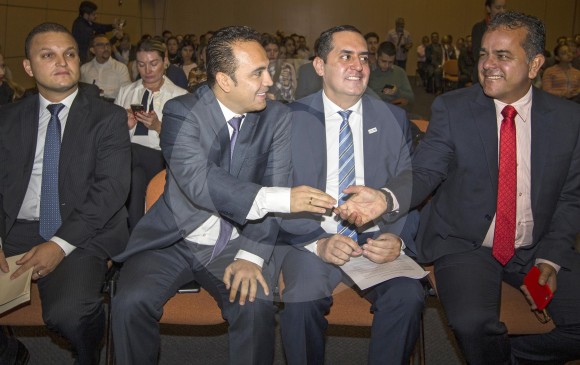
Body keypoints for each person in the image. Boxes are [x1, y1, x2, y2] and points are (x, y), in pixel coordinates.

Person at [338, 12, 580, 365]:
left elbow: (570, 197)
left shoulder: (568, 120)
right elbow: (424, 172)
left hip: (537, 243)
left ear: (535, 64)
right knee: (472, 325)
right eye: (483, 54)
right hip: (467, 244)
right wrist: (386, 197)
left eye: (502, 56)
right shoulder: (454, 108)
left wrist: (550, 257)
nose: (488, 65)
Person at [111, 25, 335, 365]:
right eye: (257, 73)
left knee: (256, 304)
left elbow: (276, 180)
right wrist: (279, 198)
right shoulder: (180, 112)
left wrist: (252, 256)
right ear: (225, 80)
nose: (269, 82)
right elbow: (198, 180)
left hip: (239, 241)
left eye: (267, 71)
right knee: (129, 302)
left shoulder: (277, 117)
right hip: (174, 239)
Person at [276, 25, 423, 365]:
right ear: (319, 66)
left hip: (376, 239)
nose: (358, 66)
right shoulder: (288, 121)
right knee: (301, 300)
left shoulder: (394, 119)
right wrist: (318, 243)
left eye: (363, 58)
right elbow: (276, 197)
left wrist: (398, 241)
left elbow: (412, 188)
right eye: (345, 56)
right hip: (312, 240)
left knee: (408, 297)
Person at [0, 22, 130, 365]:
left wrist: (59, 245)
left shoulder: (108, 118)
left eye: (69, 54)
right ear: (28, 67)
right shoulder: (7, 119)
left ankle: (88, 354)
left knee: (71, 315)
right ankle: (8, 351)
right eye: (48, 55)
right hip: (14, 228)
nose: (62, 62)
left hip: (81, 230)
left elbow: (111, 190)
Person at [114, 39, 188, 231]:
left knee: (131, 154)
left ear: (165, 61)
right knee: (136, 177)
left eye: (153, 63)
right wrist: (125, 125)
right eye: (141, 64)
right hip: (131, 162)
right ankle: (138, 236)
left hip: (161, 157)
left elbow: (185, 141)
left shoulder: (180, 95)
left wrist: (158, 126)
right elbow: (111, 135)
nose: (147, 70)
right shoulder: (126, 91)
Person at [80, 34, 131, 100]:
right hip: (91, 107)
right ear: (92, 50)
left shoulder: (121, 68)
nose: (106, 48)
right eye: (101, 45)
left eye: (107, 44)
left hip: (114, 106)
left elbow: (127, 93)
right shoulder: (84, 69)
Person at [368, 41, 414, 109]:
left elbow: (411, 98)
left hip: (394, 108)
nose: (386, 65)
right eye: (383, 61)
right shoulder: (368, 71)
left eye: (390, 62)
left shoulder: (400, 72)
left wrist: (396, 92)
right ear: (377, 56)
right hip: (373, 109)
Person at [471, 0, 507, 82]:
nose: (502, 11)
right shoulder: (479, 28)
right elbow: (477, 53)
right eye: (498, 8)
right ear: (488, 9)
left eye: (504, 7)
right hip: (484, 72)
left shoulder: (509, 29)